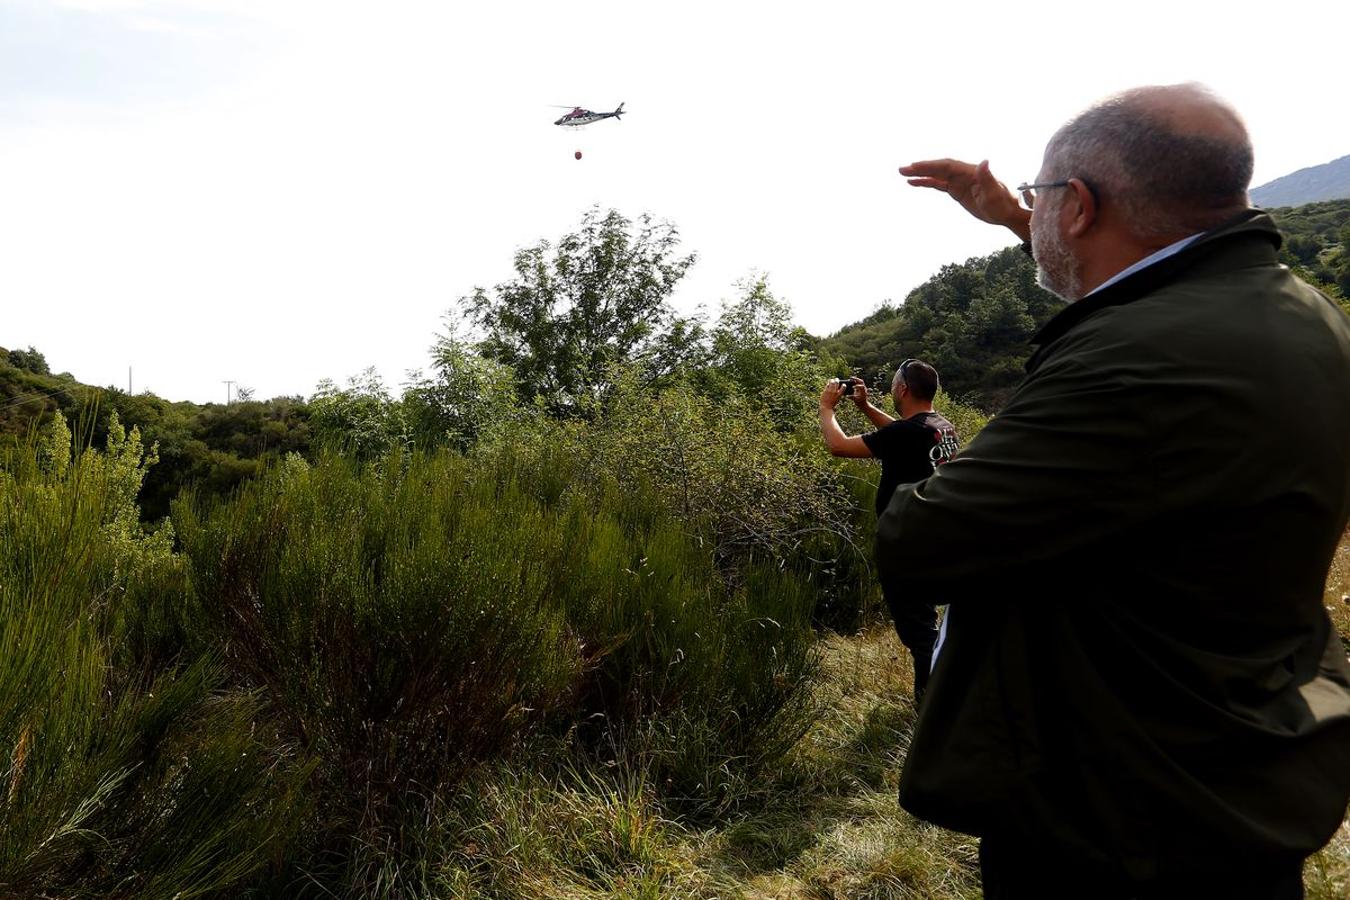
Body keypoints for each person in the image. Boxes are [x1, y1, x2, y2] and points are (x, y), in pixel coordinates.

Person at [882, 83, 1350, 898]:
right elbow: (1143, 265)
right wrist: (1017, 219)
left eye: (1041, 198)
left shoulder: (1136, 360)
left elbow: (920, 543)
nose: (1030, 210)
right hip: (1240, 769)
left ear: (1083, 207)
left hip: (1115, 805)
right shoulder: (1303, 315)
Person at [818, 360, 958, 702]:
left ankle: (929, 708)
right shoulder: (940, 427)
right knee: (933, 628)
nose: (892, 388)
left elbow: (839, 445)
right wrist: (865, 406)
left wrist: (826, 408)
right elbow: (899, 433)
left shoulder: (909, 433)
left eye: (894, 383)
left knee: (921, 635)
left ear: (903, 390)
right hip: (940, 538)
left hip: (908, 546)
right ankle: (945, 694)